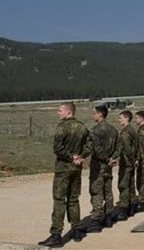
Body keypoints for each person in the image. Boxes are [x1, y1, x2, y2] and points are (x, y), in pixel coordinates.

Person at [38, 102, 89, 248]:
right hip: (76, 169)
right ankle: (77, 230)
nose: (57, 113)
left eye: (59, 110)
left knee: (59, 200)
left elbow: (58, 148)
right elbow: (90, 144)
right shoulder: (82, 127)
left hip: (63, 169)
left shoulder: (61, 127)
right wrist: (81, 156)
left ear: (68, 112)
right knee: (73, 199)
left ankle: (56, 235)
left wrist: (71, 157)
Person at [83, 105, 120, 232]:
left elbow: (96, 149)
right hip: (108, 166)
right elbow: (119, 147)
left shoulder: (95, 131)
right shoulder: (113, 130)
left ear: (100, 114)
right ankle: (108, 216)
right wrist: (113, 158)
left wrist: (106, 159)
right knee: (108, 190)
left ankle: (96, 221)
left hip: (99, 165)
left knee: (96, 191)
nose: (92, 116)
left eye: (94, 113)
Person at [111, 110, 138, 221]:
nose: (119, 120)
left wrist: (115, 158)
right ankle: (133, 206)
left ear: (127, 119)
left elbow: (125, 148)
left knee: (123, 185)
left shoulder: (125, 132)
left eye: (120, 118)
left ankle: (123, 210)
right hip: (131, 162)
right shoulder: (132, 130)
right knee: (131, 185)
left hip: (126, 162)